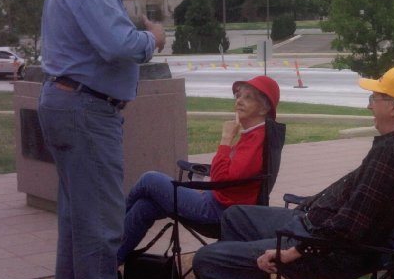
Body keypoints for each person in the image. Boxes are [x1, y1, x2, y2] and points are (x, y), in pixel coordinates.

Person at [192, 66, 394, 279]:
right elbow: (357, 206)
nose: (369, 105)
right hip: (313, 225)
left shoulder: (391, 155)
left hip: (323, 252)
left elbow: (348, 227)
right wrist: (310, 205)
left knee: (206, 259)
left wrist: (291, 252)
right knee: (235, 216)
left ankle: (236, 276)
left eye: (374, 99)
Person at [37, 0, 166, 279]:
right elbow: (119, 45)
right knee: (100, 225)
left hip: (71, 103)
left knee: (78, 220)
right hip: (86, 110)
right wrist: (153, 39)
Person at [117, 75, 281, 264]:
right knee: (145, 206)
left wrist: (226, 138)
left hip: (219, 212)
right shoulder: (257, 135)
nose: (239, 101)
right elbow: (229, 177)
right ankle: (108, 265)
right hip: (220, 202)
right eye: (238, 95)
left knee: (149, 179)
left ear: (264, 107)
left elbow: (220, 180)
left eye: (248, 97)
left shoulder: (257, 140)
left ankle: (110, 231)